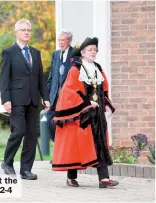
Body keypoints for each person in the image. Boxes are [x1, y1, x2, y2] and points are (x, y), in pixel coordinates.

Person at [51, 37, 119, 188]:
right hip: (83, 114)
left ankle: (104, 179)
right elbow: (70, 91)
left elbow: (103, 90)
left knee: (100, 143)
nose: (93, 52)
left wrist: (106, 104)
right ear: (82, 53)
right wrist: (87, 103)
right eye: (90, 50)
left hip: (98, 114)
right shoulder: (76, 69)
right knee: (78, 144)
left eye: (95, 50)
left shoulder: (98, 68)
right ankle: (71, 176)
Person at [0, 19, 50, 180]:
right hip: (16, 99)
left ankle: (26, 169)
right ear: (16, 32)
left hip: (33, 99)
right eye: (23, 30)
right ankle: (7, 162)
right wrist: (6, 99)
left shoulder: (35, 52)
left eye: (28, 30)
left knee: (32, 135)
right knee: (18, 131)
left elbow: (41, 78)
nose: (26, 32)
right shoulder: (9, 52)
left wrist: (46, 97)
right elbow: (4, 78)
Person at [46, 30, 74, 141]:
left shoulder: (75, 54)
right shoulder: (55, 54)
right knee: (50, 122)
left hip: (68, 98)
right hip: (54, 98)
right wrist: (47, 97)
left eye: (63, 40)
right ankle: (57, 146)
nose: (60, 43)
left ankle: (63, 155)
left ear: (69, 41)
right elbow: (51, 77)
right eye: (59, 40)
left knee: (66, 125)